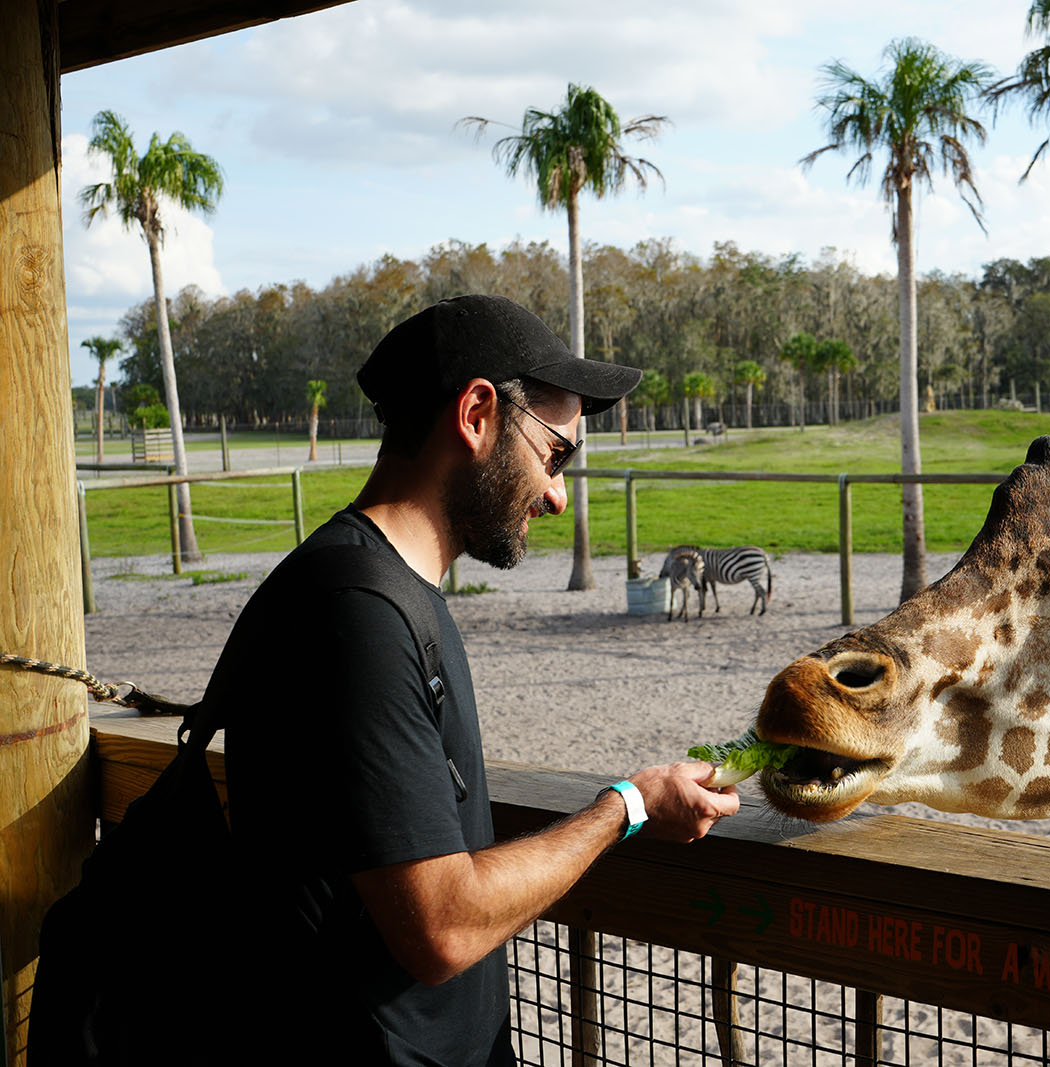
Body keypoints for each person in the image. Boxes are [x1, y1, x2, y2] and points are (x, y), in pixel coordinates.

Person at [213, 294, 739, 1065]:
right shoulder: (358, 615)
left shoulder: (379, 589)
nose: (558, 493)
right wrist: (627, 805)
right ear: (477, 414)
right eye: (556, 454)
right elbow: (443, 925)